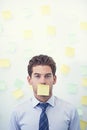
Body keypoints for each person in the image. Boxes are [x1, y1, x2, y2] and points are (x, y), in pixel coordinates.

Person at [9, 54, 81, 130]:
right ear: (29, 80)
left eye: (47, 76)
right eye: (37, 76)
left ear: (54, 79)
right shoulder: (17, 112)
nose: (43, 81)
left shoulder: (70, 111)